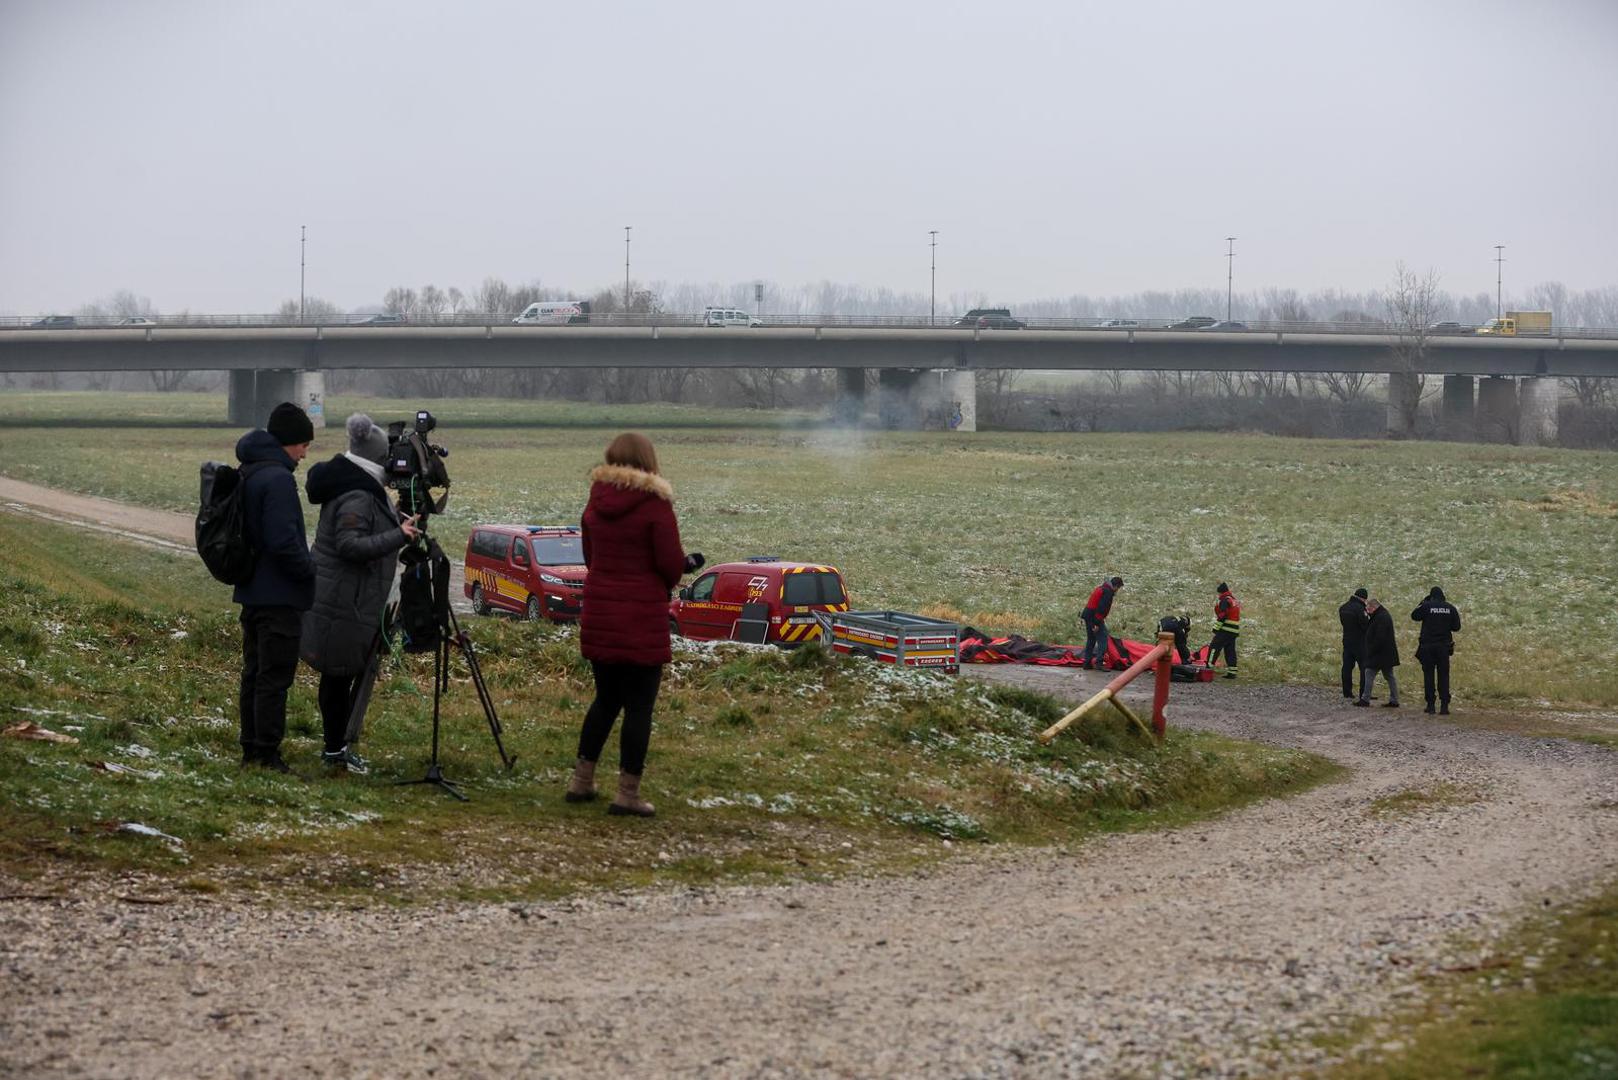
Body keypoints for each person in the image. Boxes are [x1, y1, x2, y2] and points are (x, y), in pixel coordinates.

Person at [568, 433, 690, 817]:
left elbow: (590, 557)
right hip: (641, 619)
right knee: (639, 708)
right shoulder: (655, 505)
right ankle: (627, 794)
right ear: (648, 460)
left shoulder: (595, 501)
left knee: (605, 700)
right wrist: (680, 567)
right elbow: (670, 566)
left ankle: (581, 781)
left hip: (601, 614)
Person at [300, 414, 420, 774]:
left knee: (338, 677)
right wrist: (400, 535)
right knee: (337, 678)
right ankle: (335, 749)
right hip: (343, 603)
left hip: (345, 600)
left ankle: (336, 747)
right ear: (377, 459)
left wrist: (396, 520)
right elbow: (349, 545)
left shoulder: (356, 486)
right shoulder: (358, 494)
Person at [234, 402, 317, 772]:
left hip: (252, 591)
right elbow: (283, 542)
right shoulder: (278, 479)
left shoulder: (250, 471)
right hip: (279, 596)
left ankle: (251, 748)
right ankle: (267, 753)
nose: (305, 453)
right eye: (303, 444)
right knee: (274, 678)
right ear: (289, 441)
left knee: (254, 674)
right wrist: (308, 570)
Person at [1411, 586, 1462, 715]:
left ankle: (1431, 705)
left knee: (1428, 675)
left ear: (1431, 596)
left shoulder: (1426, 606)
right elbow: (1456, 627)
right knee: (1443, 675)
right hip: (1444, 647)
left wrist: (1423, 602)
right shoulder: (1450, 608)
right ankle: (1444, 706)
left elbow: (1414, 616)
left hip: (1427, 647)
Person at [1356, 597, 1401, 708]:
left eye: (1368, 608)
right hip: (1385, 654)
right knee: (1389, 676)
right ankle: (1394, 700)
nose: (1367, 611)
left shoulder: (1381, 617)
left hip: (1379, 654)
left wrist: (1371, 650)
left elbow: (1380, 638)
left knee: (1369, 673)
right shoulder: (1381, 615)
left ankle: (1365, 699)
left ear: (1374, 607)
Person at [1081, 576, 1123, 670]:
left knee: (1091, 639)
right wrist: (1096, 624)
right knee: (1103, 638)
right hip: (1095, 617)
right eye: (1118, 588)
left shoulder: (1102, 588)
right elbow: (1101, 609)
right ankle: (1099, 663)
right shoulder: (1108, 593)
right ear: (1116, 586)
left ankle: (1087, 663)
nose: (1117, 590)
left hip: (1088, 615)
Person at [1203, 582, 1241, 678]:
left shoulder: (1224, 600)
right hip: (1234, 630)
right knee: (1230, 651)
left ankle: (1208, 667)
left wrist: (1216, 628)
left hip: (1226, 629)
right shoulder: (1232, 600)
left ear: (1221, 592)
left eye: (1219, 593)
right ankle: (1232, 672)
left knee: (1214, 647)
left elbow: (1223, 615)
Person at [1338, 587, 1370, 700]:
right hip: (1360, 643)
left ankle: (1347, 692)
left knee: (1347, 667)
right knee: (1364, 668)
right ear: (1363, 598)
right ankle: (1364, 694)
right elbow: (1365, 625)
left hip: (1347, 641)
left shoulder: (1343, 608)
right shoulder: (1360, 609)